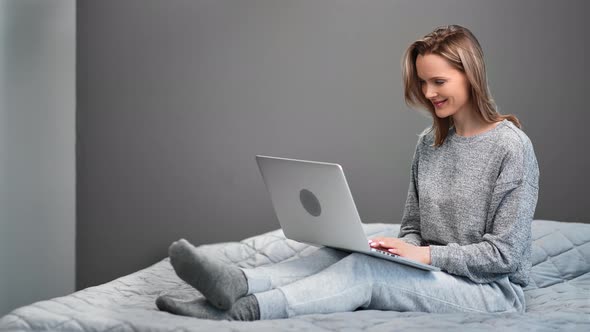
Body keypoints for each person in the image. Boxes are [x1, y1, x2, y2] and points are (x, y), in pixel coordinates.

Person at [155, 24, 539, 321]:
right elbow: (413, 226)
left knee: (364, 271)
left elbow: (503, 255)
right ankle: (237, 283)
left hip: (491, 291)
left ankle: (241, 311)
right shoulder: (429, 143)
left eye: (438, 82)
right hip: (435, 270)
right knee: (343, 251)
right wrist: (403, 250)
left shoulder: (511, 147)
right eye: (422, 82)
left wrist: (423, 257)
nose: (428, 92)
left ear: (470, 76)